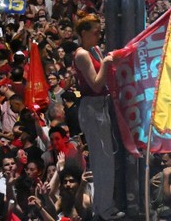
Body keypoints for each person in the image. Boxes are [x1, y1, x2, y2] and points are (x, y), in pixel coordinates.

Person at [72, 15, 120, 220]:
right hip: (92, 108)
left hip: (101, 106)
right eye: (95, 31)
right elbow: (96, 84)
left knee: (107, 159)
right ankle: (103, 209)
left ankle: (104, 205)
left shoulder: (94, 50)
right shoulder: (82, 54)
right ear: (84, 33)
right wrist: (107, 63)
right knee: (102, 160)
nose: (98, 34)